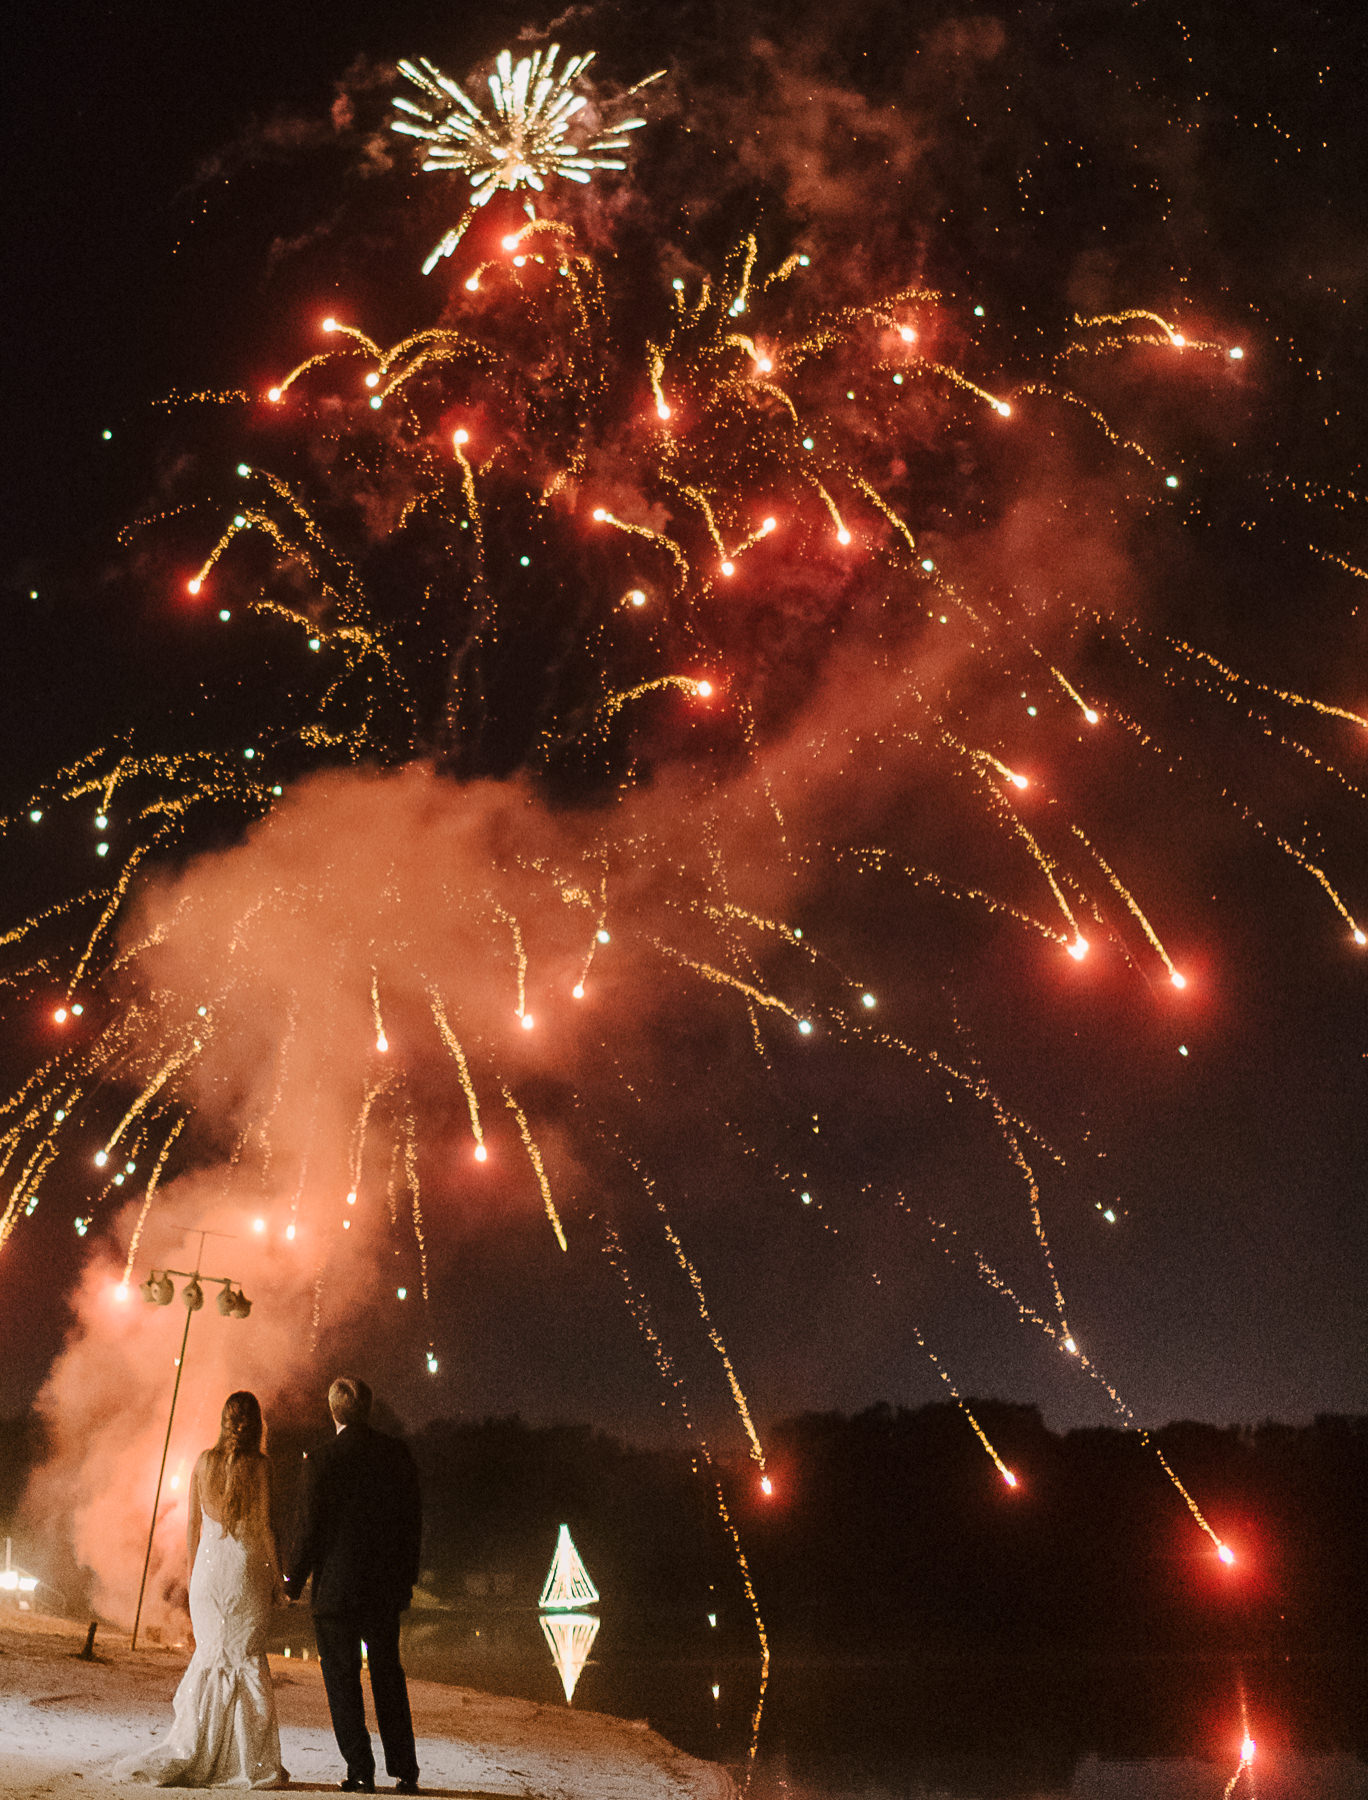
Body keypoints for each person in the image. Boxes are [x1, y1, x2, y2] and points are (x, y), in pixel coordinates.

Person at [115, 1390, 289, 1789]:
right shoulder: (261, 1467)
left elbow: (192, 1527)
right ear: (256, 1424)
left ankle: (201, 1745)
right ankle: (247, 1760)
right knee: (245, 1658)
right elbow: (263, 1528)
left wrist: (195, 1577)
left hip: (208, 1576)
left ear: (223, 1422)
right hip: (244, 1573)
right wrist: (277, 1580)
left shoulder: (202, 1463)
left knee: (212, 1657)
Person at [285, 1376, 422, 1795]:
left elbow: (308, 1530)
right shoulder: (397, 1454)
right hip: (383, 1589)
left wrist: (293, 1581)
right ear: (369, 1408)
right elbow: (412, 1525)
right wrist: (406, 1580)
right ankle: (405, 1770)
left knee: (342, 1680)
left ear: (333, 1411)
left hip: (337, 1592)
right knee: (387, 1675)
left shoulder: (321, 1461)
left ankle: (361, 1771)